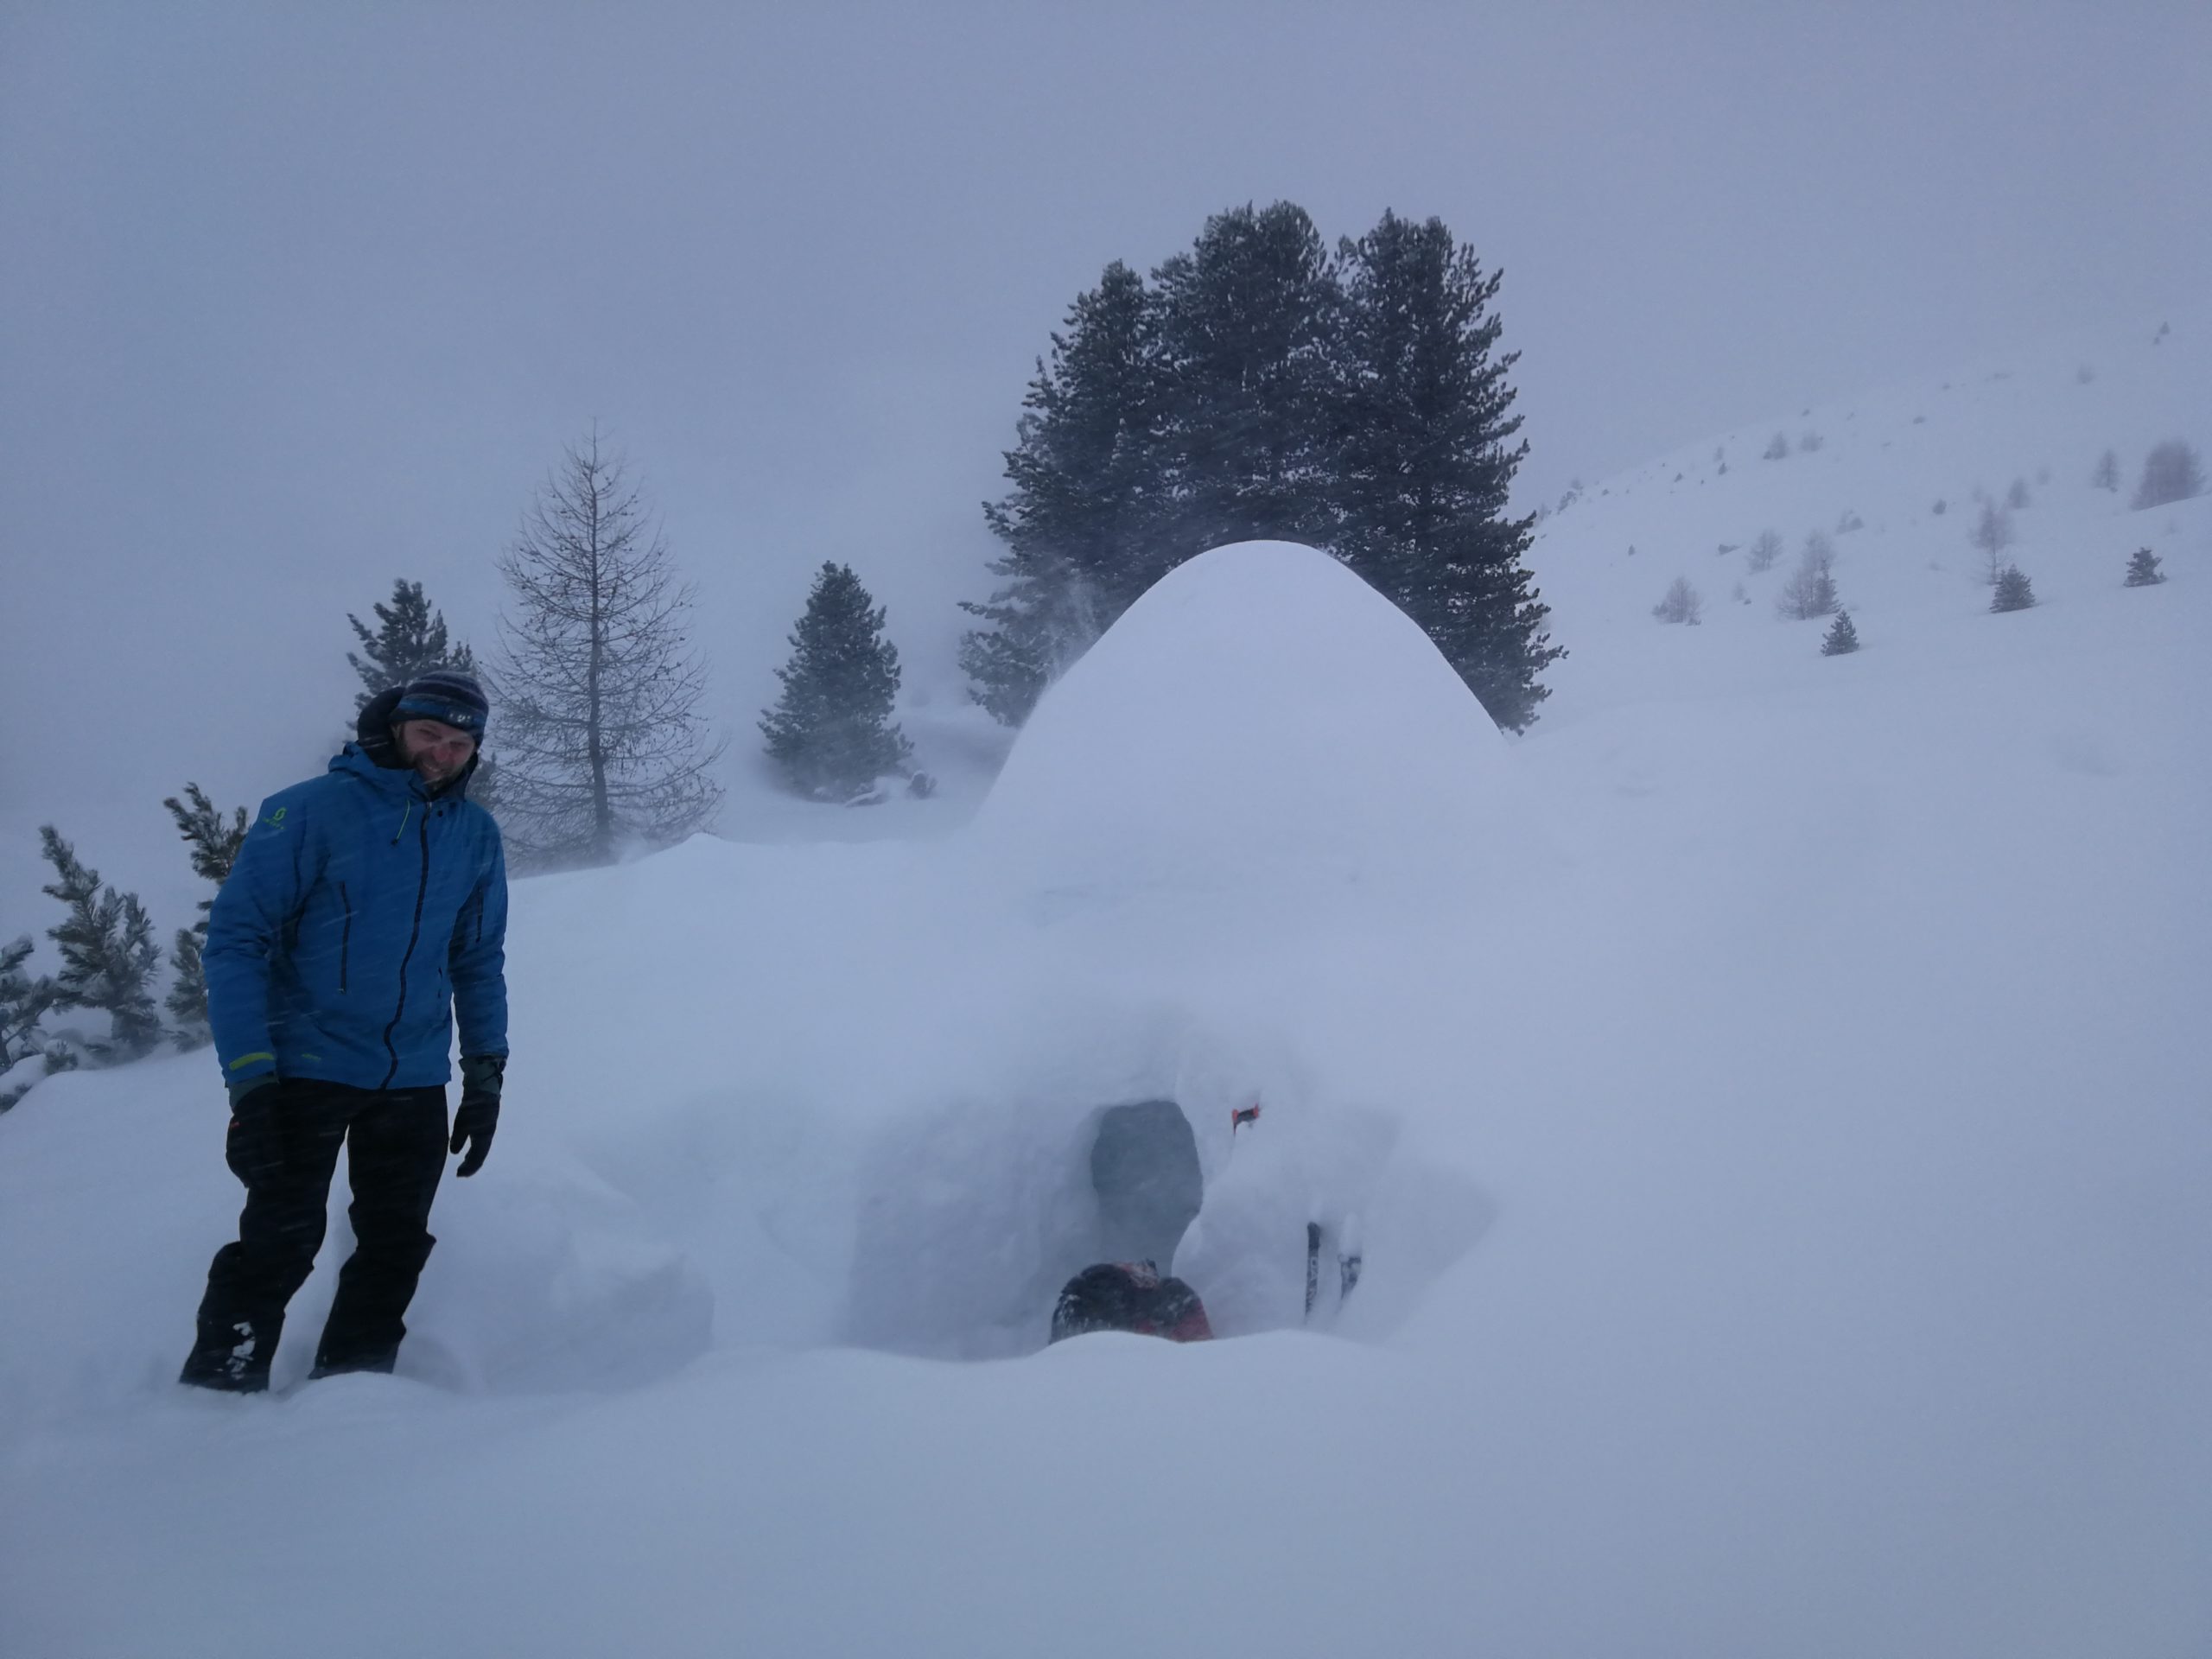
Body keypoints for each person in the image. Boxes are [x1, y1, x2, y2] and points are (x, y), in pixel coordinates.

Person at [179, 670, 509, 1392]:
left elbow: (477, 960)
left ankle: (355, 1396)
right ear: (395, 727)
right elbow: (237, 945)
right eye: (430, 734)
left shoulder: (475, 836)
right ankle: (217, 1392)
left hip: (414, 1073)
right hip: (306, 1067)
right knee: (280, 1243)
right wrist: (252, 1080)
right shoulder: (309, 812)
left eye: (460, 743)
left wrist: (485, 1071)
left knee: (395, 1246)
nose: (442, 753)